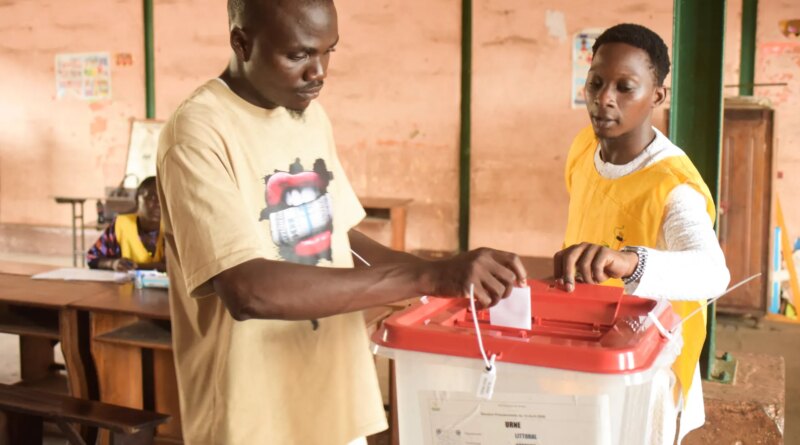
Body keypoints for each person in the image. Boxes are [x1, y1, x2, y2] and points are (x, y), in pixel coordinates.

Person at [156, 0, 527, 443]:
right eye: (299, 55)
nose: (319, 72)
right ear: (242, 42)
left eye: (328, 51)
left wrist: (444, 280)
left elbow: (341, 238)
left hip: (333, 393)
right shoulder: (198, 131)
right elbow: (247, 289)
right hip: (255, 414)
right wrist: (427, 274)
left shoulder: (307, 114)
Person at [552, 24, 730, 444]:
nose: (603, 98)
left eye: (624, 87)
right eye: (596, 83)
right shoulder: (583, 149)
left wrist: (630, 261)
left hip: (650, 372)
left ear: (657, 96)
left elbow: (713, 273)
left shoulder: (673, 186)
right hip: (587, 344)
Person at [87, 176, 165, 272]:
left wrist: (135, 267)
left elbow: (171, 267)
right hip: (126, 285)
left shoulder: (172, 230)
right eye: (152, 197)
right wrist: (113, 263)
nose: (158, 203)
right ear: (137, 200)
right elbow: (92, 257)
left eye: (163, 198)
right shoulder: (121, 225)